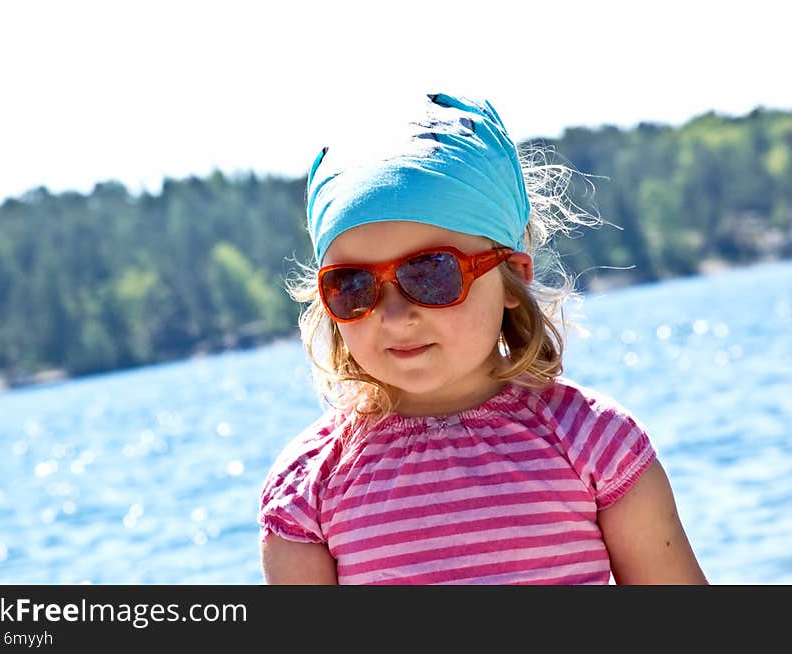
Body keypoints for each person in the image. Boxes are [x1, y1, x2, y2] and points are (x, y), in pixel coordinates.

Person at [257, 92, 708, 585]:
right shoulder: (307, 489)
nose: (394, 314)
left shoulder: (593, 443)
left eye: (431, 273)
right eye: (353, 286)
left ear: (512, 277)